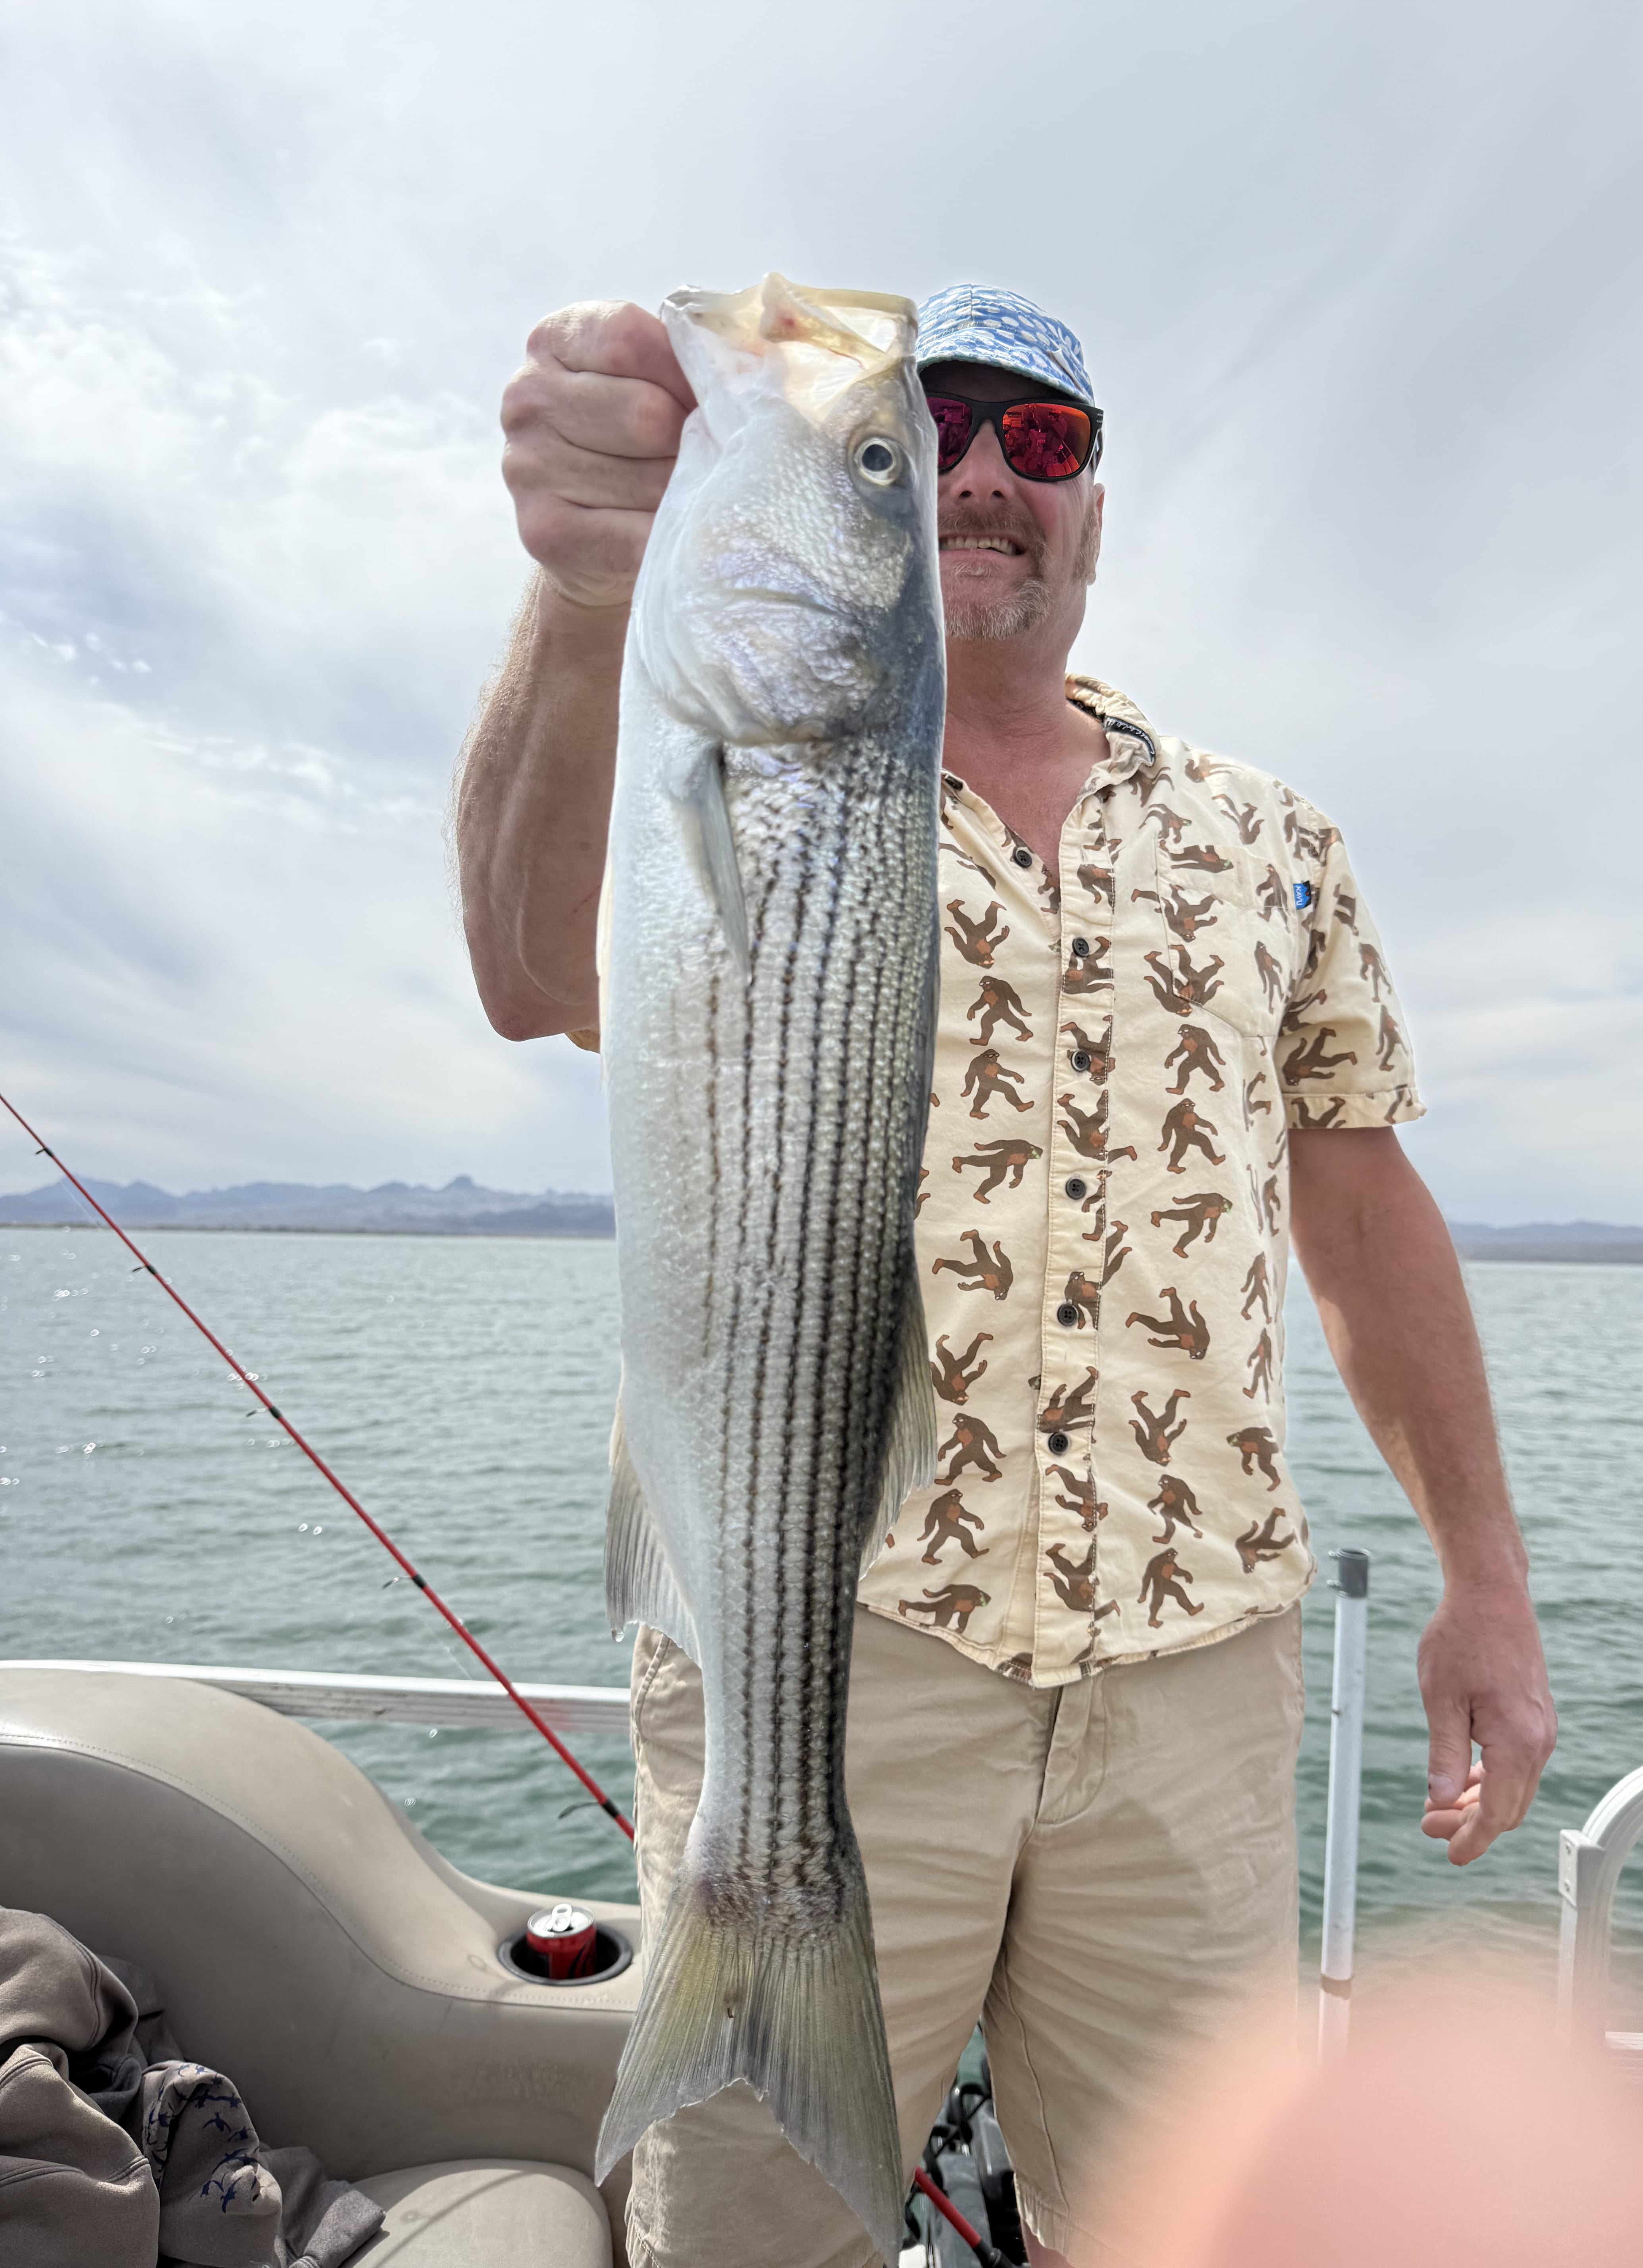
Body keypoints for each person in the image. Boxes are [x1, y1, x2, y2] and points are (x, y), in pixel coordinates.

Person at [455, 282, 1556, 2268]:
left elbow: (1366, 1209)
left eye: (1038, 442)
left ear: (1096, 503)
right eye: (933, 429)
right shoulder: (732, 762)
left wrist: (1485, 1575)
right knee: (757, 2238)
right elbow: (534, 974)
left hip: (1195, 1676)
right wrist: (581, 592)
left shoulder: (1270, 840)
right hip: (830, 1653)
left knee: (1199, 2235)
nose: (979, 477)